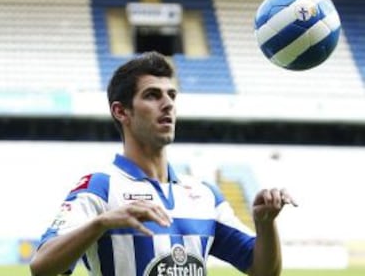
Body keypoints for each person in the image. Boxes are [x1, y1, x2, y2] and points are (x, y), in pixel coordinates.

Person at [29, 51, 297, 276]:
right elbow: (41, 267)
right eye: (152, 95)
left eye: (172, 95)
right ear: (121, 111)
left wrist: (265, 224)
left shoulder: (204, 195)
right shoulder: (100, 187)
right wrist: (102, 223)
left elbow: (263, 271)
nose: (168, 104)